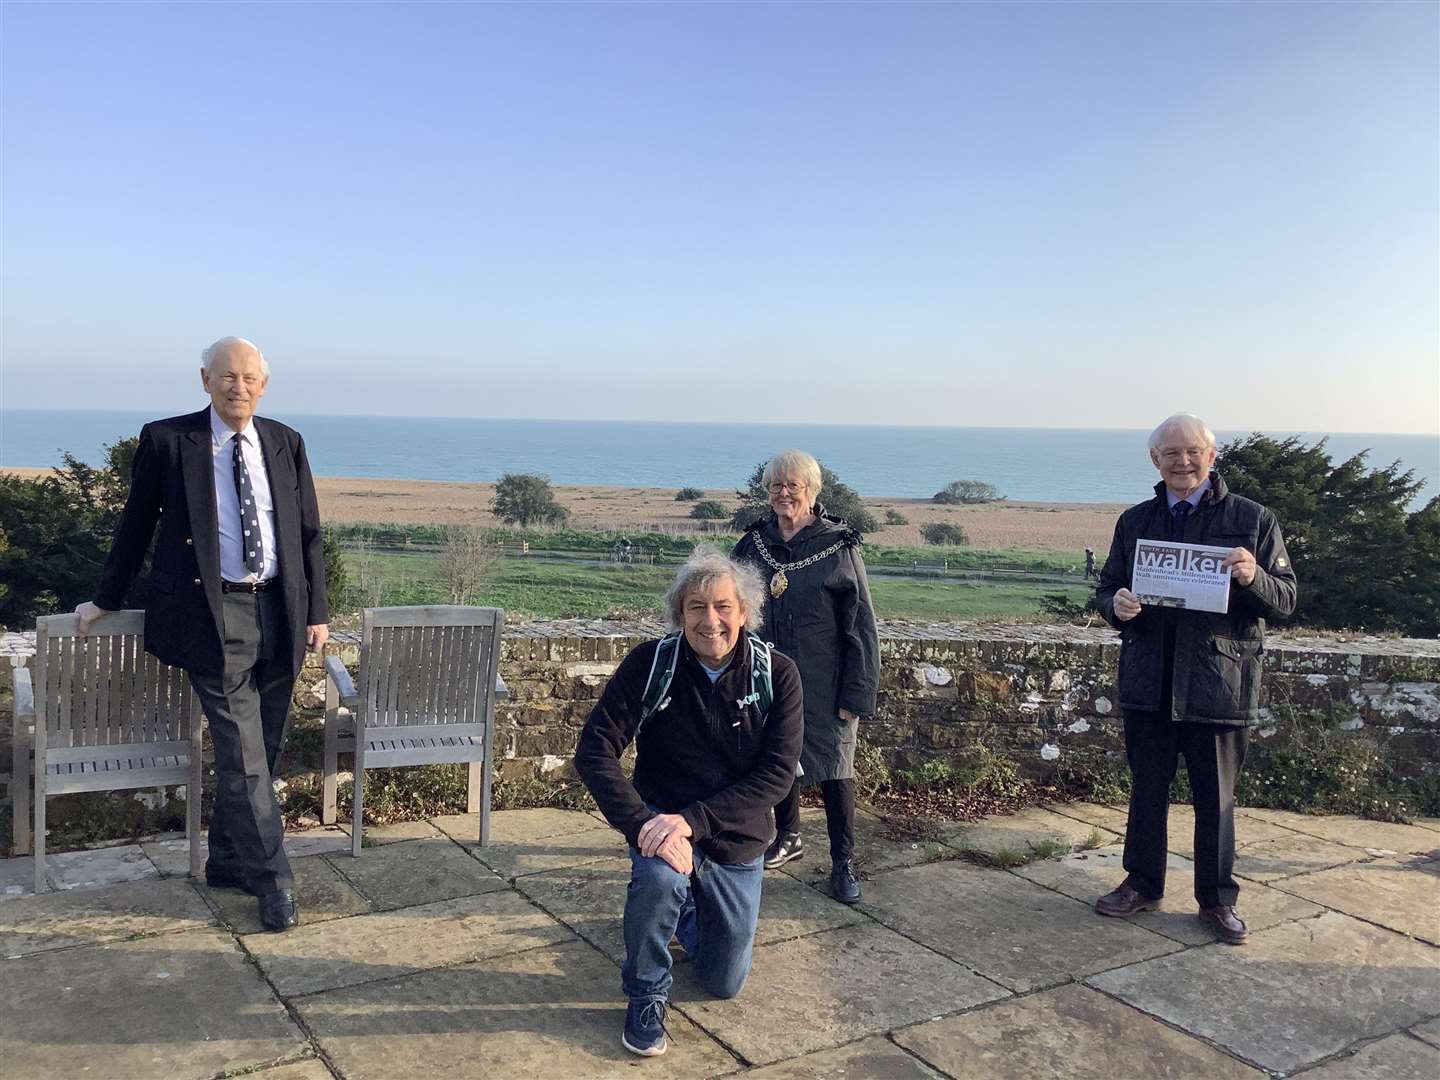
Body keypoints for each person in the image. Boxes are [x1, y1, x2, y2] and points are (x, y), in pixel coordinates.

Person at [75, 336, 329, 932]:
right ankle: (274, 880)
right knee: (243, 754)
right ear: (205, 379)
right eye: (227, 377)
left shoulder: (285, 442)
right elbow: (135, 524)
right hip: (211, 617)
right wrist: (104, 599)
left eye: (249, 378)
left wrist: (317, 610)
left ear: (263, 385)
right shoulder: (168, 441)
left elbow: (309, 533)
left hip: (281, 615)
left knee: (260, 751)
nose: (238, 387)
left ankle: (225, 860)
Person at [574, 546, 802, 1058]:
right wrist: (641, 823)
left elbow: (777, 775)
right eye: (696, 607)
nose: (710, 620)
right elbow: (594, 751)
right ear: (680, 614)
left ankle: (686, 915)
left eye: (723, 606)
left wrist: (692, 822)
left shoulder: (777, 674)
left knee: (723, 983)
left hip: (735, 837)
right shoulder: (650, 664)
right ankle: (646, 991)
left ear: (745, 613)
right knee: (658, 881)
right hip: (661, 826)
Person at [1094, 413, 1296, 944]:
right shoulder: (1134, 521)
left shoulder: (1254, 519)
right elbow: (1107, 587)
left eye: (1192, 452)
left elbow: (1286, 600)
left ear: (1212, 456)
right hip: (1150, 682)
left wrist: (1254, 577)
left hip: (1219, 684)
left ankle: (1218, 900)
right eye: (1171, 453)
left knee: (1216, 800)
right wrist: (1114, 605)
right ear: (1154, 460)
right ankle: (1141, 884)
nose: (1182, 461)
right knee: (1146, 791)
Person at [732, 449, 880, 904]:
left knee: (836, 770)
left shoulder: (839, 545)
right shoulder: (752, 544)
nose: (782, 493)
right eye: (775, 485)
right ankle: (789, 837)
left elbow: (860, 623)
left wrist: (856, 692)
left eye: (792, 485)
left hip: (826, 680)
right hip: (767, 675)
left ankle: (843, 862)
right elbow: (731, 607)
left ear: (812, 492)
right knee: (777, 760)